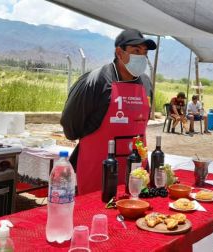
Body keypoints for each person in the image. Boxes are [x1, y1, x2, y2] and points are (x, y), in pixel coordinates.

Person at [60, 28, 156, 195]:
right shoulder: (95, 80)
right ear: (119, 52)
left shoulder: (146, 84)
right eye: (136, 51)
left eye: (145, 52)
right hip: (97, 171)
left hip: (135, 171)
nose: (142, 57)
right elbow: (70, 126)